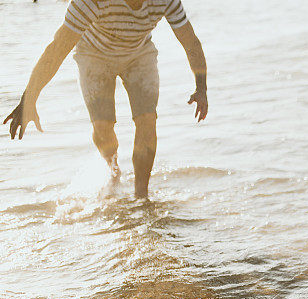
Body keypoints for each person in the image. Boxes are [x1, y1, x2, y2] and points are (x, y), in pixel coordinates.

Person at [4, 0, 208, 199]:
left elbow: (189, 40)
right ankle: (113, 169)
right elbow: (58, 48)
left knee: (147, 120)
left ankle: (141, 197)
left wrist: (201, 87)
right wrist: (28, 99)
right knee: (103, 128)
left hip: (139, 54)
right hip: (94, 55)